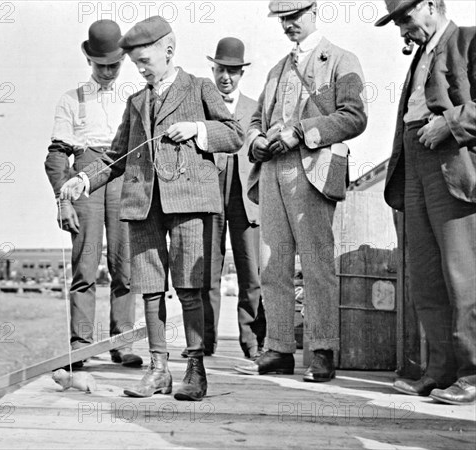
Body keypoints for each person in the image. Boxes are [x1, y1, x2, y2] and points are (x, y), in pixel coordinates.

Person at [60, 16, 244, 401]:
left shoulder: (200, 88)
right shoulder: (136, 101)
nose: (140, 69)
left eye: (146, 61)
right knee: (149, 290)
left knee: (190, 288)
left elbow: (235, 134)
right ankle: (158, 371)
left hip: (191, 204)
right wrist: (83, 180)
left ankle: (195, 370)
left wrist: (198, 130)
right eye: (137, 63)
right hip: (143, 206)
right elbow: (115, 157)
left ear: (169, 52)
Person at [234, 0, 367, 382]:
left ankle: (322, 351)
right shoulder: (277, 68)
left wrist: (301, 132)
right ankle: (278, 348)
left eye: (295, 17)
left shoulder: (341, 59)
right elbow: (257, 117)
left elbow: (354, 116)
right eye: (283, 19)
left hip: (315, 171)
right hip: (272, 172)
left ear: (314, 13)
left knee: (316, 264)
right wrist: (257, 139)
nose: (288, 25)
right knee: (272, 265)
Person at [376, 0, 476, 405]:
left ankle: (472, 374)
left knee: (463, 274)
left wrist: (449, 125)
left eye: (406, 17)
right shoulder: (420, 54)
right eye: (397, 21)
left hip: (451, 164)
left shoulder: (469, 40)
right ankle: (439, 371)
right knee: (426, 276)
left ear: (433, 5)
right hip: (414, 163)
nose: (402, 29)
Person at [44, 20, 142, 369]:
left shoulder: (134, 96)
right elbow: (56, 156)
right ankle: (81, 344)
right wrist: (63, 198)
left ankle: (122, 341)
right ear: (89, 61)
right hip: (83, 177)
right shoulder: (71, 100)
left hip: (121, 176)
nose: (107, 72)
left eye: (114, 65)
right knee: (85, 266)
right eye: (101, 66)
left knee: (124, 266)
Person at [186, 37, 266, 360]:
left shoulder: (255, 109)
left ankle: (252, 343)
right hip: (210, 193)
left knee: (251, 272)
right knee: (207, 273)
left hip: (246, 196)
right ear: (213, 69)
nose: (226, 77)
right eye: (221, 69)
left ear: (242, 73)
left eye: (233, 71)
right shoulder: (203, 106)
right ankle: (204, 342)